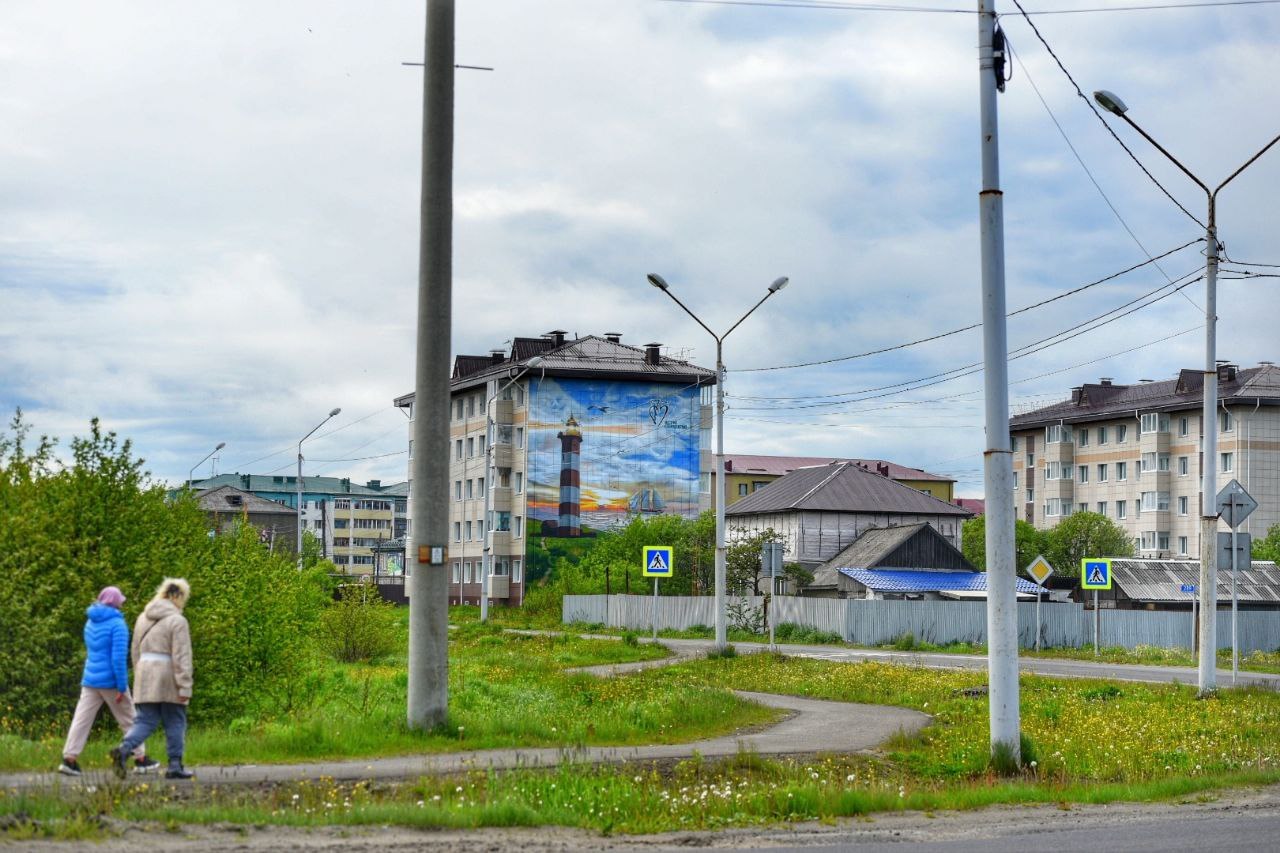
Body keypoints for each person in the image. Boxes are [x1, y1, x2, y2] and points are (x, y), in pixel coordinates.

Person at [58, 586, 160, 777]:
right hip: (111, 682)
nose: (122, 603)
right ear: (114, 602)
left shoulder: (90, 621)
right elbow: (118, 658)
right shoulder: (117, 625)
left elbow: (93, 651)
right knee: (130, 719)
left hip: (90, 679)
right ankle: (140, 760)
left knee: (81, 719)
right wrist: (122, 686)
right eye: (120, 600)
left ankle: (69, 760)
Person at [110, 578, 195, 780]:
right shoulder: (178, 621)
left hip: (145, 674)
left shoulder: (143, 618)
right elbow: (182, 656)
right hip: (168, 675)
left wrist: (140, 674)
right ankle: (175, 765)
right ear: (179, 596)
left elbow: (135, 650)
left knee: (145, 720)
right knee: (175, 719)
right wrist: (185, 686)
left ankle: (124, 749)